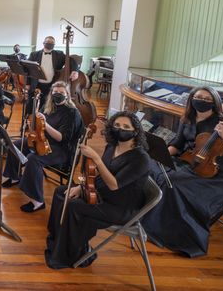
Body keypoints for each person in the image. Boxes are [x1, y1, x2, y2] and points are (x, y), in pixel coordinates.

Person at [45, 111, 150, 269]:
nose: (120, 129)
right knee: (61, 192)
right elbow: (100, 174)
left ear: (135, 131)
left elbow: (114, 185)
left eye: (126, 127)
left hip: (120, 207)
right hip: (102, 194)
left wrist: (96, 159)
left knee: (73, 206)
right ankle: (58, 240)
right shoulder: (112, 146)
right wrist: (81, 187)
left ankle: (70, 254)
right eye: (117, 125)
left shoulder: (141, 159)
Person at [142, 86, 223, 257]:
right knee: (151, 168)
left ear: (215, 102)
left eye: (207, 99)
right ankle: (142, 216)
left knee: (172, 183)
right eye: (198, 97)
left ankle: (169, 232)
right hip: (188, 162)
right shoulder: (187, 119)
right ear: (191, 99)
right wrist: (159, 156)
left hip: (215, 172)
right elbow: (177, 144)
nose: (202, 101)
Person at [2, 81, 83, 212]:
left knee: (33, 159)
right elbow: (37, 125)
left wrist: (46, 124)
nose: (58, 94)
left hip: (62, 149)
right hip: (43, 140)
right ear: (51, 93)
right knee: (16, 145)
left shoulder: (72, 113)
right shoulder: (48, 106)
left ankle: (38, 201)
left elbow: (62, 138)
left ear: (67, 95)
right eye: (55, 92)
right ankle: (14, 176)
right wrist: (32, 123)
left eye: (61, 92)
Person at [26, 36, 80, 112]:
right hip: (36, 84)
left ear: (54, 45)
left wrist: (75, 71)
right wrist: (28, 83)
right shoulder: (34, 54)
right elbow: (28, 69)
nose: (50, 44)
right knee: (31, 105)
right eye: (48, 42)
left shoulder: (59, 54)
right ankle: (29, 117)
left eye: (52, 43)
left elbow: (71, 60)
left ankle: (45, 117)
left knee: (48, 104)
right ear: (43, 43)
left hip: (51, 85)